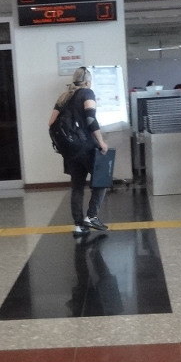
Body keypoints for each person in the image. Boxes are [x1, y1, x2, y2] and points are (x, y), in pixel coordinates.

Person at [49, 66, 110, 235]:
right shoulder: (87, 93)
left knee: (77, 186)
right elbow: (91, 119)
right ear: (88, 82)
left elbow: (51, 122)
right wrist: (101, 141)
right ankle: (91, 216)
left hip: (69, 150)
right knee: (102, 179)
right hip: (86, 146)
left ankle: (78, 224)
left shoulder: (64, 97)